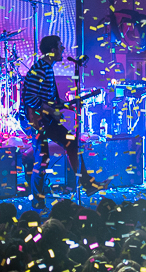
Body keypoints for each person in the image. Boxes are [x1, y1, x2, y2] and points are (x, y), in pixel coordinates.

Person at [19, 34, 100, 210]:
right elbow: (30, 98)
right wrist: (50, 110)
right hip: (37, 120)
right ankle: (37, 202)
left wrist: (64, 105)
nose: (63, 49)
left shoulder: (47, 68)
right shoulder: (40, 69)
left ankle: (87, 184)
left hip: (45, 118)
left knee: (71, 143)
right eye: (60, 46)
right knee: (42, 160)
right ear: (52, 50)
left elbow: (49, 99)